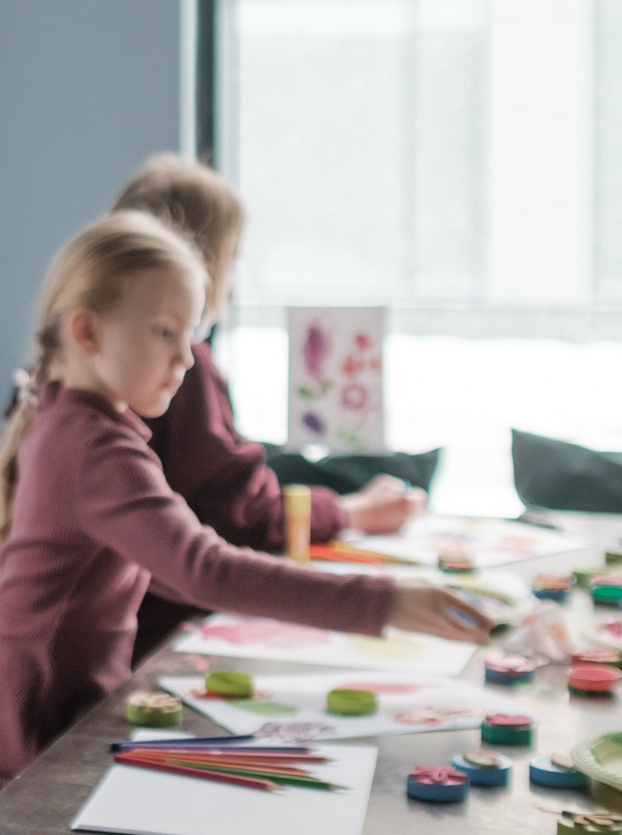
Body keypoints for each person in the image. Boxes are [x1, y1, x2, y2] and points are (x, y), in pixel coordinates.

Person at [0, 212, 488, 805]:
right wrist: (387, 600)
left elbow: (177, 568)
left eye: (192, 336)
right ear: (87, 332)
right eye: (165, 332)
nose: (186, 360)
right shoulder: (95, 450)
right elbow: (204, 569)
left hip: (49, 732)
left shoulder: (74, 421)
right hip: (33, 759)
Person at [109, 154, 426, 661]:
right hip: (147, 653)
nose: (232, 283)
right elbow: (234, 525)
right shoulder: (172, 378)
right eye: (231, 261)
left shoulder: (69, 387)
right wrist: (361, 535)